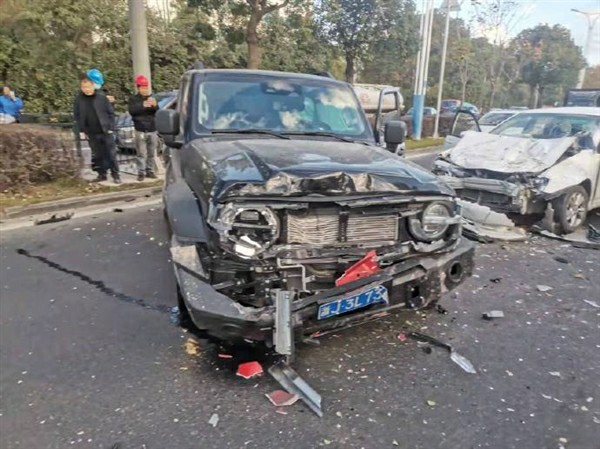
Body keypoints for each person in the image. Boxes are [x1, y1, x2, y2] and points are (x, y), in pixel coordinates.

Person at [74, 75, 121, 184]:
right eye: (84, 87)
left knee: (111, 154)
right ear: (81, 88)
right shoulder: (79, 100)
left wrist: (111, 127)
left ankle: (116, 175)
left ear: (93, 86)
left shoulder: (101, 98)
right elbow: (77, 115)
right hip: (91, 132)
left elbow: (110, 113)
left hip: (105, 130)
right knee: (98, 155)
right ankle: (102, 174)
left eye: (88, 87)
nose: (87, 89)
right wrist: (82, 130)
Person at [128, 75, 158, 181]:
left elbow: (156, 112)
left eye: (146, 87)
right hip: (140, 128)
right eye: (143, 87)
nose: (145, 90)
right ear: (138, 88)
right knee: (141, 153)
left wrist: (155, 105)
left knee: (151, 152)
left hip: (152, 128)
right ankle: (141, 172)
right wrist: (143, 106)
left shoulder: (151, 98)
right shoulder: (133, 99)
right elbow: (132, 111)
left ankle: (150, 170)